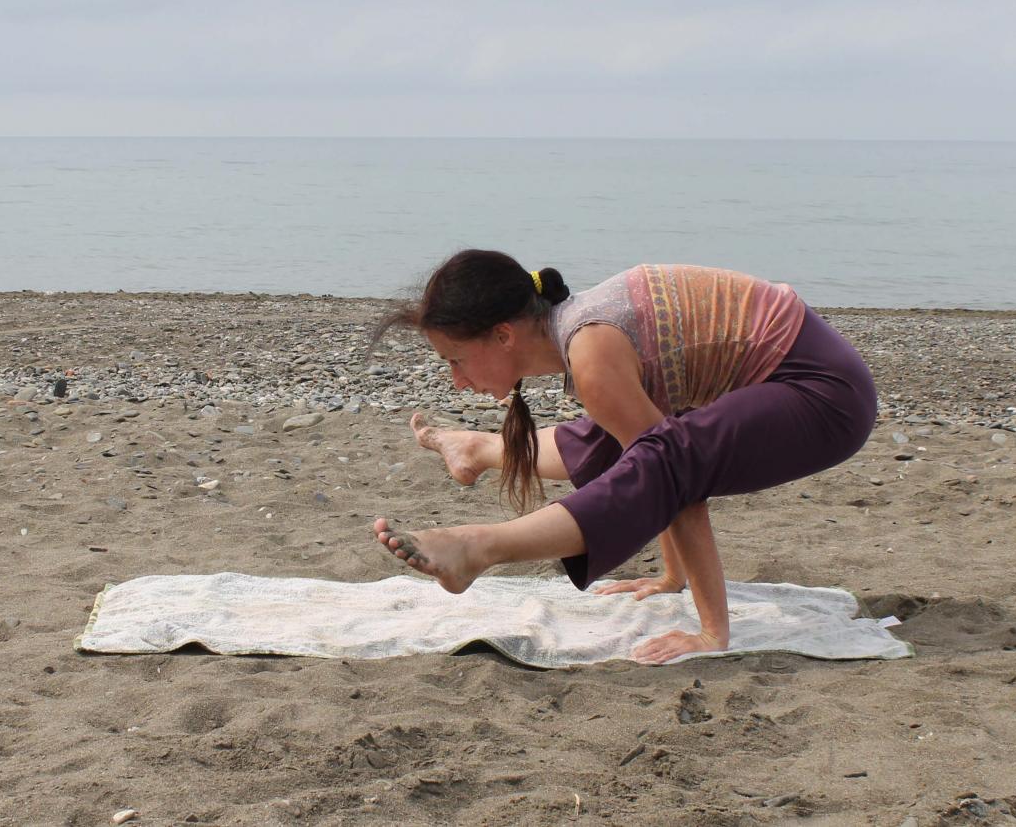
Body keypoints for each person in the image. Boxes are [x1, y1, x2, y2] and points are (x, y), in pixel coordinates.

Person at [372, 250, 876, 665]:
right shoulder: (582, 331)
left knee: (659, 457)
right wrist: (671, 578)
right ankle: (481, 448)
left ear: (504, 334)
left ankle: (480, 547)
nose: (457, 379)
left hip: (825, 397)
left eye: (456, 360)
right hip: (800, 382)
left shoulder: (591, 351)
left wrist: (710, 632)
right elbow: (660, 454)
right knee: (620, 439)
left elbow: (676, 479)